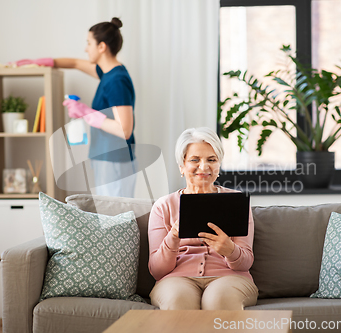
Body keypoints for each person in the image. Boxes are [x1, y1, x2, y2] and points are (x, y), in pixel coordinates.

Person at [14, 17, 136, 198]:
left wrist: (86, 112)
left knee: (115, 215)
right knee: (107, 213)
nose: (86, 49)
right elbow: (75, 63)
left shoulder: (117, 80)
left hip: (114, 158)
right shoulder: (107, 73)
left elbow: (125, 130)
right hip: (106, 156)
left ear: (101, 47)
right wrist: (43, 62)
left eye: (89, 43)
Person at [148, 127, 258, 310]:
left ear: (219, 165)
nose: (204, 166)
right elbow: (157, 271)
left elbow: (245, 262)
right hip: (177, 279)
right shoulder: (163, 206)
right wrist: (173, 238)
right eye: (194, 160)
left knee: (218, 300)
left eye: (211, 160)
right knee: (177, 301)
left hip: (229, 278)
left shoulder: (237, 202)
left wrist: (230, 250)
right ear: (181, 166)